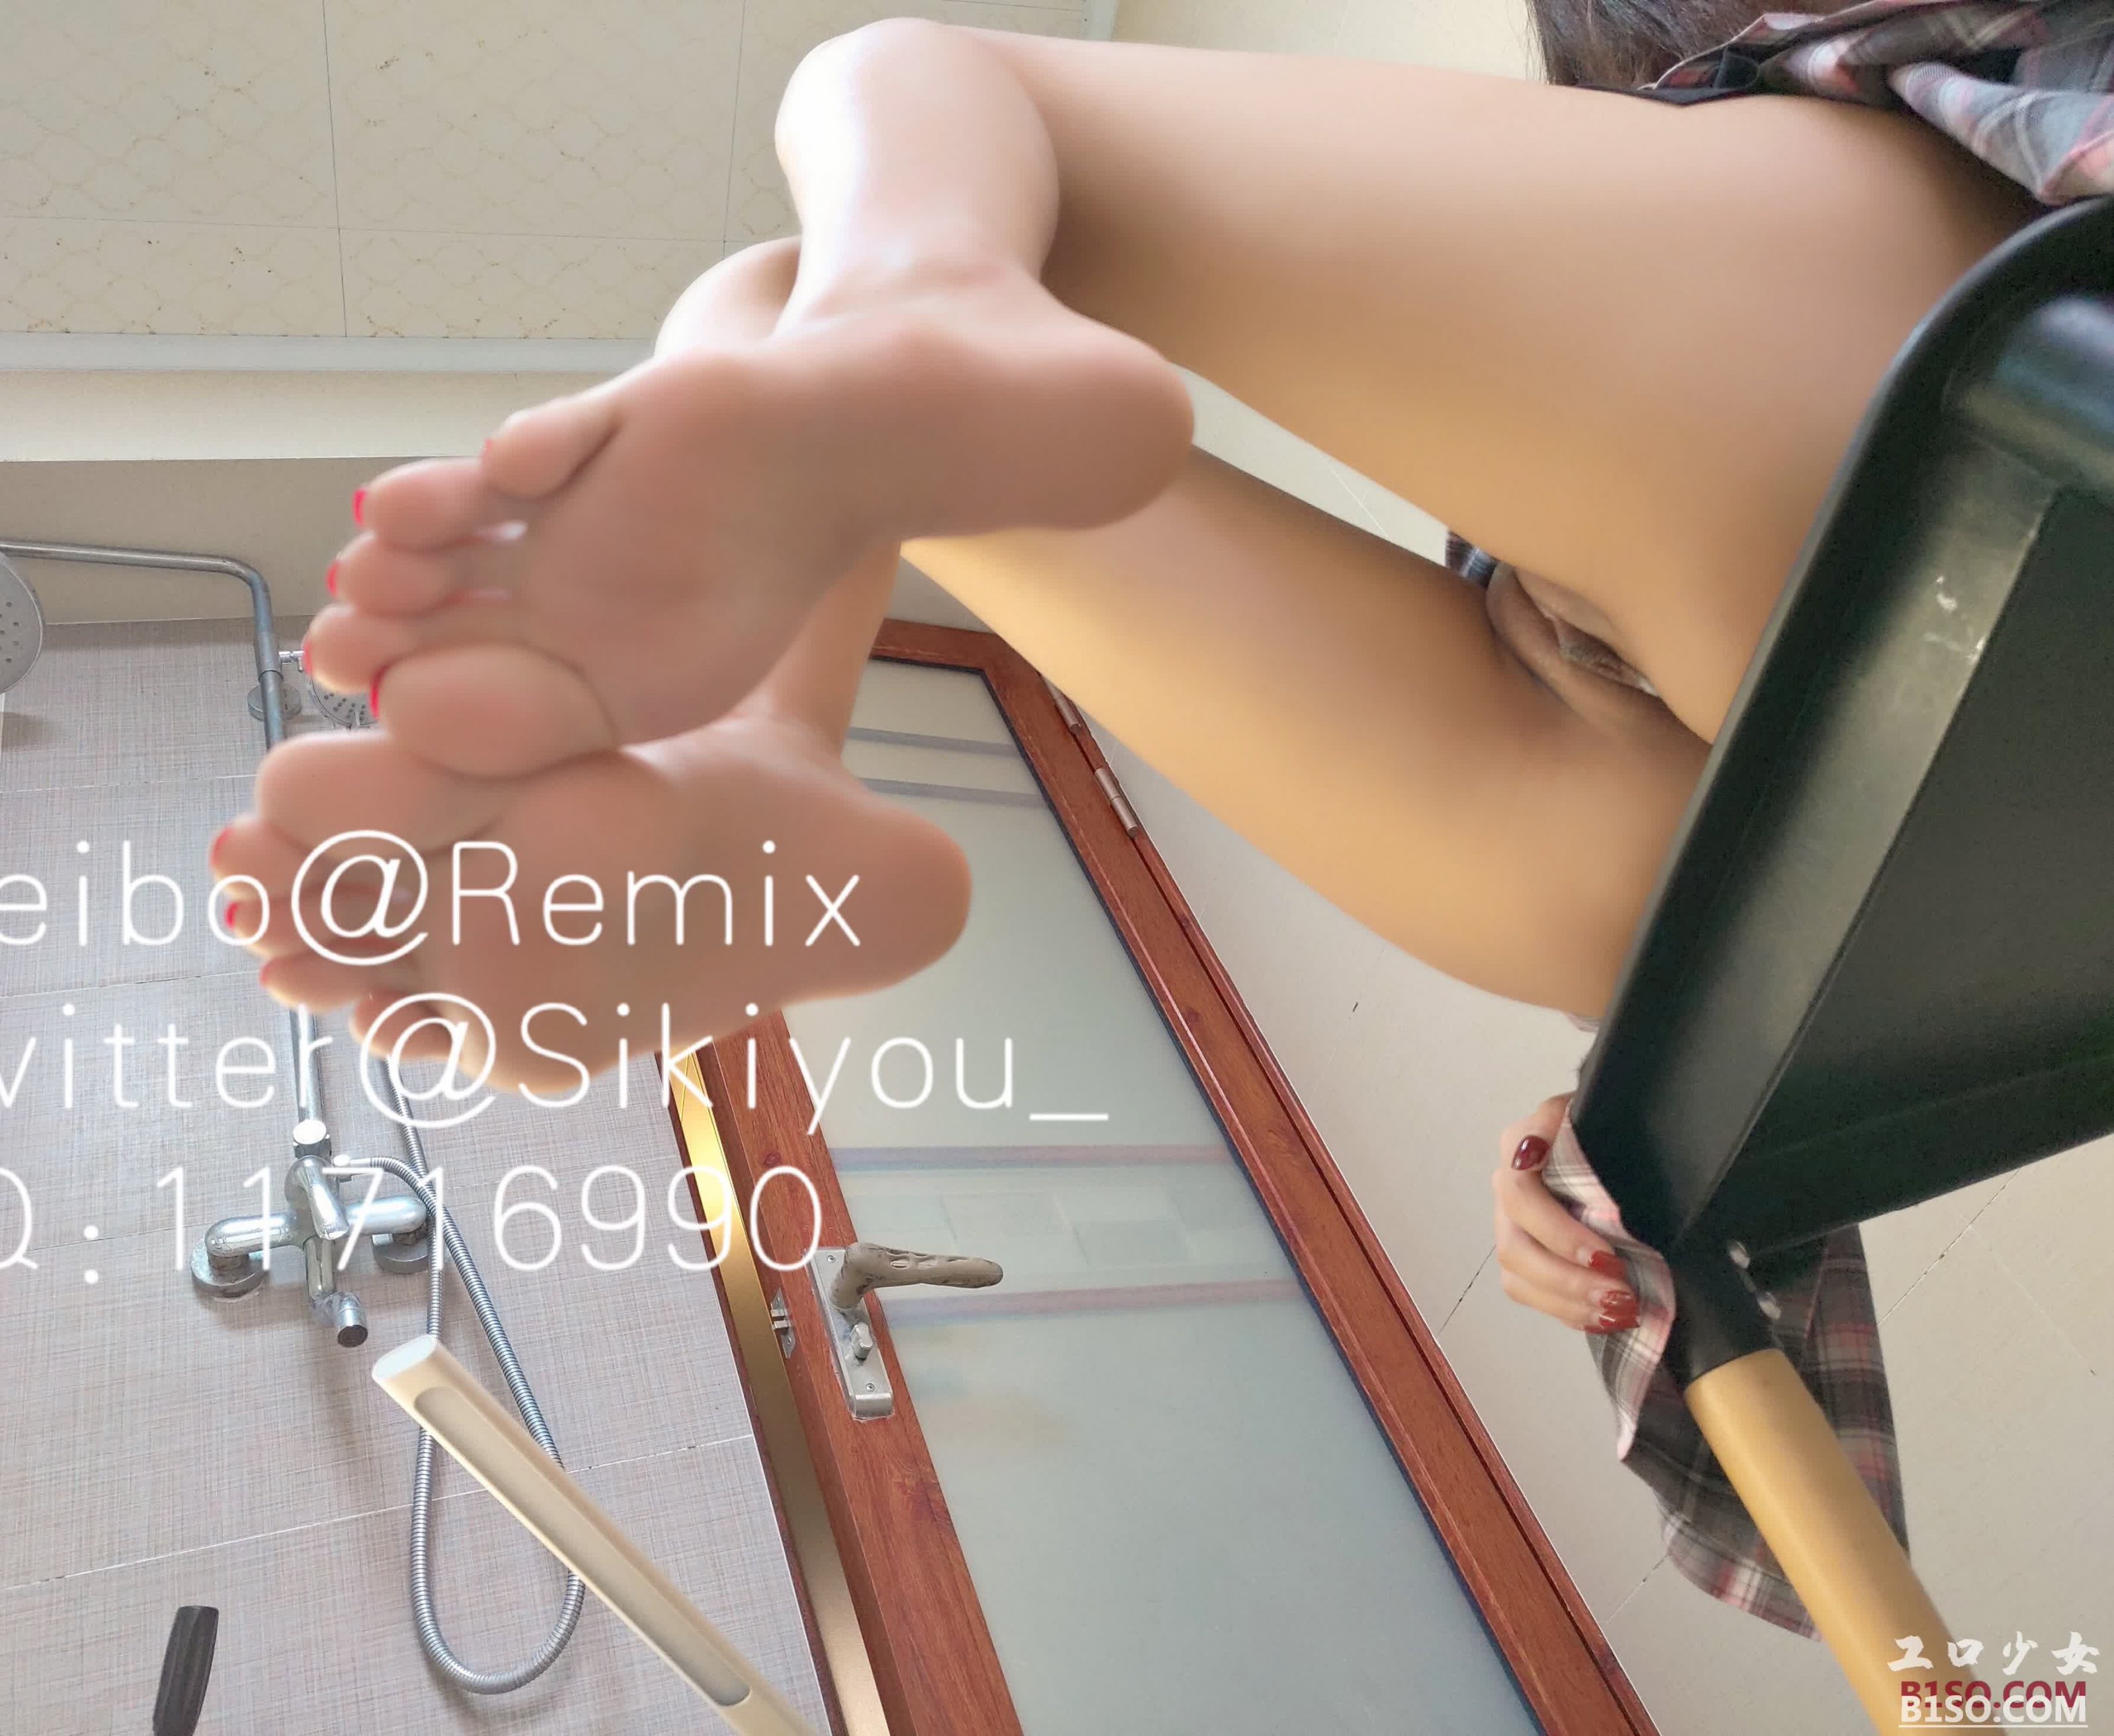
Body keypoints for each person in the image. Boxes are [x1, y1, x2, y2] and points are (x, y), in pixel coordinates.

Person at [208, 5, 2040, 1336]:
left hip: (1827, 594)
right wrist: (1633, 1114)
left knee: (873, 165)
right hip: (1785, 742)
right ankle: (773, 691)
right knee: (855, 204)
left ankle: (778, 694)